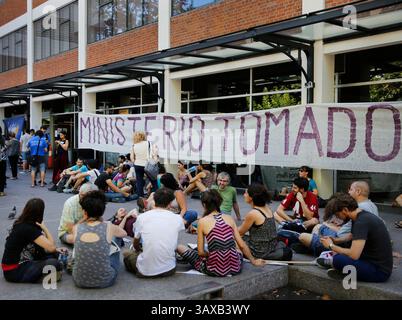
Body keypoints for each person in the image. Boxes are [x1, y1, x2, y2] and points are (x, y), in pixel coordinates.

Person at [177, 190, 265, 276]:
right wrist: (253, 261)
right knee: (236, 247)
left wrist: (209, 254)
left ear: (204, 205)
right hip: (235, 267)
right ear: (219, 203)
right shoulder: (229, 218)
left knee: (180, 247)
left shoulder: (202, 222)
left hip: (214, 269)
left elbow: (200, 253)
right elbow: (241, 245)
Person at [319, 193, 393, 283]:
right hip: (373, 262)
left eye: (337, 215)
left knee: (337, 259)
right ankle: (344, 270)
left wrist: (331, 245)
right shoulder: (360, 215)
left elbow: (354, 255)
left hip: (379, 272)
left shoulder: (361, 222)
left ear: (345, 210)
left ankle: (341, 269)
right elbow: (352, 235)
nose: (337, 218)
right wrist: (336, 240)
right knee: (341, 251)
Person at [123, 188, 185, 278]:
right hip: (169, 269)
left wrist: (138, 250)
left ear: (154, 200)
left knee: (127, 256)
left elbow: (135, 242)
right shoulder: (177, 218)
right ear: (171, 203)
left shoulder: (142, 217)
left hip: (144, 271)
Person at [1, 198, 65, 283]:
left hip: (20, 263)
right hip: (14, 270)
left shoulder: (23, 223)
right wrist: (45, 228)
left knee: (56, 254)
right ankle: (45, 277)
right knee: (54, 263)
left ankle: (46, 274)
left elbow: (46, 247)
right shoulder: (28, 229)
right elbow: (51, 247)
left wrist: (55, 250)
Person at [72, 190, 127, 288]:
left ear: (84, 211)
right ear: (102, 211)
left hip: (79, 280)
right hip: (105, 280)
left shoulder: (76, 228)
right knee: (117, 239)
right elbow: (124, 233)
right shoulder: (109, 226)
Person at [238, 183, 292, 260]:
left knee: (232, 239)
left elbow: (240, 232)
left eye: (246, 193)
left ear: (251, 197)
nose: (244, 195)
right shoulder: (267, 208)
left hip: (259, 251)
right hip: (271, 247)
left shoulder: (253, 213)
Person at [131, 131, 157, 197]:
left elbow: (132, 158)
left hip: (137, 165)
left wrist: (135, 162)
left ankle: (140, 198)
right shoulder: (148, 143)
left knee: (139, 181)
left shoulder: (134, 145)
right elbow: (154, 153)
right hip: (147, 164)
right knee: (153, 181)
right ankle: (156, 196)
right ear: (143, 136)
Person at [0, 128, 7, 197]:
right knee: (2, 176)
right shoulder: (3, 138)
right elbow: (5, 147)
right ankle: (1, 192)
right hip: (2, 160)